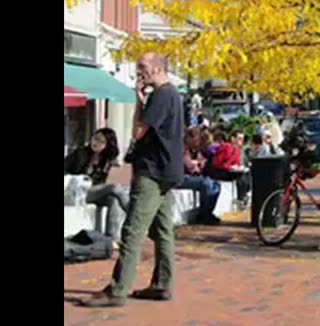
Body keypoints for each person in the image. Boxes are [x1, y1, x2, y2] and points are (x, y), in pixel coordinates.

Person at [82, 52, 185, 308]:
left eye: (143, 67)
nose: (140, 72)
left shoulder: (161, 95)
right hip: (167, 171)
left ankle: (118, 290)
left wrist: (138, 102)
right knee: (162, 231)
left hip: (152, 172)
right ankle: (162, 283)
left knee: (133, 231)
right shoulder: (171, 95)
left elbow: (138, 131)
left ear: (159, 69)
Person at [64, 128, 130, 238]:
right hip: (78, 191)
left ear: (108, 144)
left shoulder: (107, 160)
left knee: (114, 200)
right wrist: (77, 178)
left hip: (94, 192)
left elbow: (101, 183)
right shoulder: (80, 153)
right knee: (114, 187)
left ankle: (111, 238)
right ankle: (133, 212)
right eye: (95, 138)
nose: (96, 143)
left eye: (101, 141)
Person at [177, 127, 222, 225]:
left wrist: (197, 163)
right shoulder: (182, 148)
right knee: (205, 183)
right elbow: (190, 166)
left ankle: (208, 212)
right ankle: (203, 215)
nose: (197, 143)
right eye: (196, 140)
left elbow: (202, 163)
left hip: (191, 176)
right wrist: (197, 164)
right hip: (181, 178)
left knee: (216, 184)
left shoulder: (195, 150)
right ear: (189, 138)